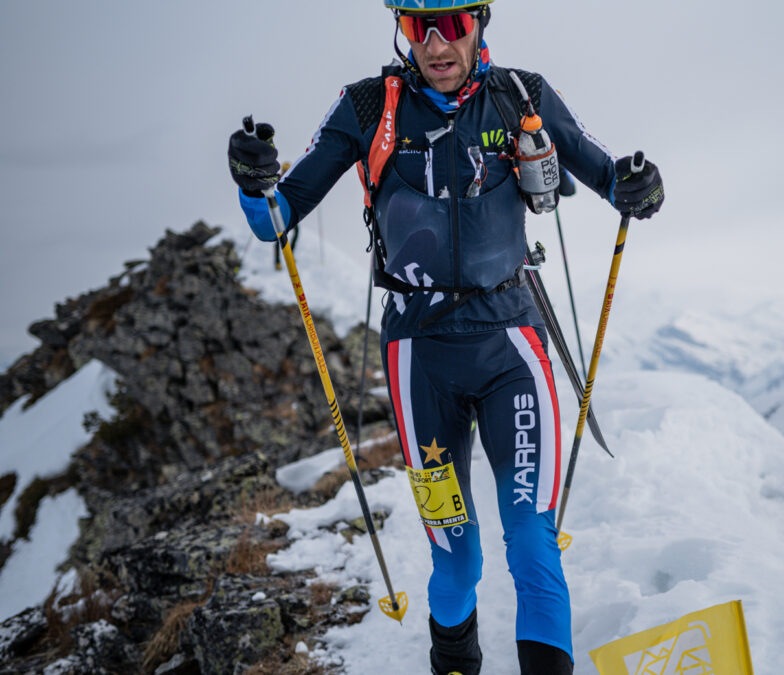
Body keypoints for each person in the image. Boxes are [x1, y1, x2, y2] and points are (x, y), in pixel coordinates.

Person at [227, 2, 663, 673]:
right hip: (418, 360)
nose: (435, 42)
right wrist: (254, 186)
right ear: (401, 29)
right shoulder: (367, 107)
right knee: (456, 558)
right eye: (417, 26)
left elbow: (611, 178)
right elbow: (277, 217)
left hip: (511, 343)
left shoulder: (522, 97)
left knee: (530, 542)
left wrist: (640, 185)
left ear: (480, 24)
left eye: (452, 24)